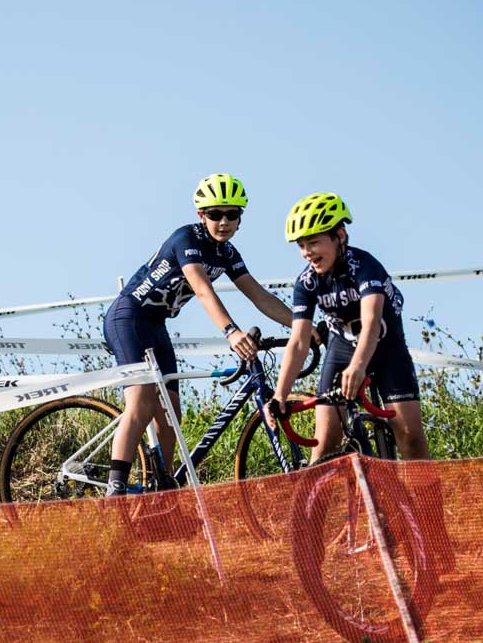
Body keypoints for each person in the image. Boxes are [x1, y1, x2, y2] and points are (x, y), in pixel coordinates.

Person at [102, 173, 294, 496]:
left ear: (240, 219)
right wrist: (231, 331)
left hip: (155, 325)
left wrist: (305, 327)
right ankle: (114, 491)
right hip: (128, 317)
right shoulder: (185, 240)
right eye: (215, 214)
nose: (224, 221)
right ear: (201, 215)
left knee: (171, 417)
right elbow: (203, 290)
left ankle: (157, 495)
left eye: (232, 214)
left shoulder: (227, 254)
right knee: (143, 402)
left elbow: (260, 296)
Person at [269, 192, 433, 464]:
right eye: (301, 245)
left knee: (411, 439)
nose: (307, 252)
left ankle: (430, 509)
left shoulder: (365, 267)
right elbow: (298, 342)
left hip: (385, 348)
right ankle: (312, 507)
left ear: (340, 236)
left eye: (314, 242)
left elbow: (371, 321)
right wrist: (280, 395)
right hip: (342, 348)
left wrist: (358, 366)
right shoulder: (307, 282)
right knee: (324, 446)